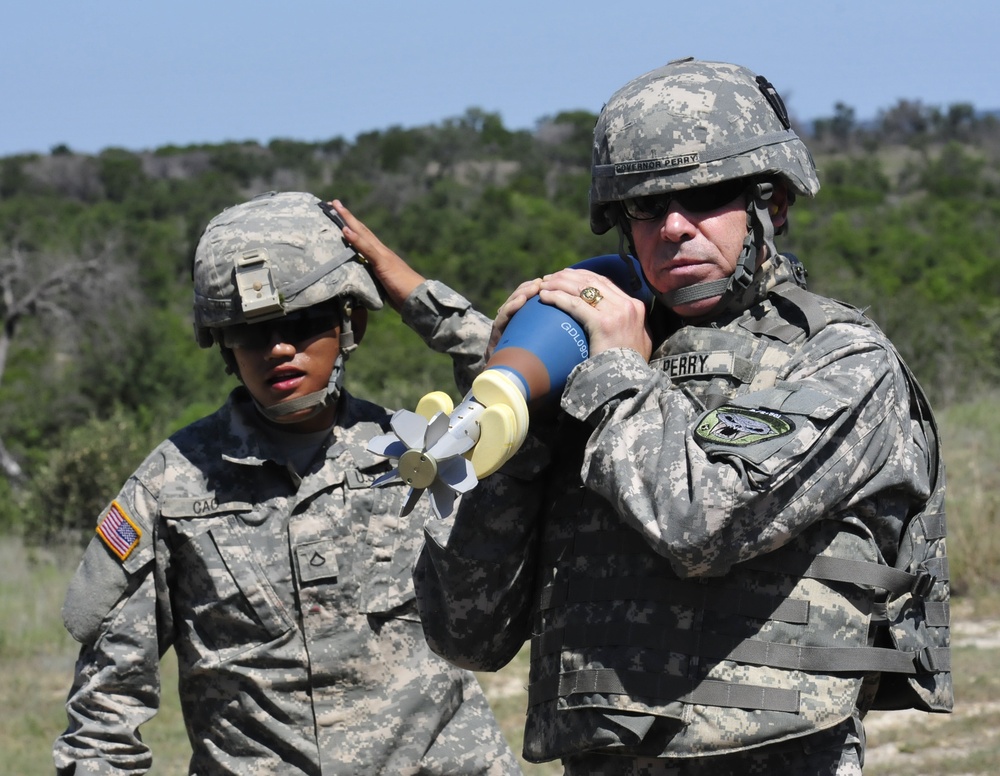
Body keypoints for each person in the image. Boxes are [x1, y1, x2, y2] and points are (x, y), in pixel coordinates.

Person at [335, 57, 951, 775]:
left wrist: (616, 378)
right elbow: (467, 632)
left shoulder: (841, 361)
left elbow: (700, 522)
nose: (675, 228)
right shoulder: (589, 373)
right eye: (647, 209)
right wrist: (520, 425)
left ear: (772, 203)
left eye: (705, 197)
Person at [52, 191, 523, 776]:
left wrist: (415, 297)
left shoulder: (424, 452)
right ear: (224, 343)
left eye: (302, 324)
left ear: (349, 322)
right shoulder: (170, 487)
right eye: (252, 334)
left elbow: (526, 389)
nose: (278, 349)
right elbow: (104, 710)